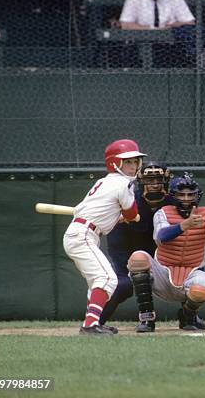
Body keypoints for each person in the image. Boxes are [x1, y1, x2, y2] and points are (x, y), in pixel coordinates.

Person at [126, 174, 205, 331]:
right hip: (162, 275)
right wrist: (184, 225)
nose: (186, 198)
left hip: (191, 274)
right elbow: (162, 236)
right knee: (138, 258)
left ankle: (187, 317)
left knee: (203, 287)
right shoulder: (163, 212)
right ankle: (147, 319)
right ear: (173, 196)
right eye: (182, 194)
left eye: (190, 194)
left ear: (196, 195)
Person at [63, 139, 146, 336]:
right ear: (115, 163)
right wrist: (130, 217)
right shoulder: (123, 184)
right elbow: (130, 213)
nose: (133, 166)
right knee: (107, 278)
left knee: (96, 281)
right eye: (128, 162)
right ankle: (91, 325)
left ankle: (92, 322)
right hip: (83, 234)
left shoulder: (103, 181)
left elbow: (108, 213)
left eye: (135, 162)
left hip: (83, 233)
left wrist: (120, 217)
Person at [98, 162, 171, 333]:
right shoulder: (128, 201)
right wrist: (126, 269)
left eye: (158, 179)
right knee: (123, 284)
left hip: (168, 259)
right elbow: (116, 243)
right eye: (149, 179)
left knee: (191, 270)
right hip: (132, 256)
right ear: (140, 180)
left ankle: (190, 315)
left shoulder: (175, 202)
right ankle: (95, 322)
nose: (154, 184)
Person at [119, 0, 195, 30]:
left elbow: (190, 22)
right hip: (142, 42)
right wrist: (153, 30)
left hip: (170, 43)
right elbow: (126, 25)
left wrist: (173, 26)